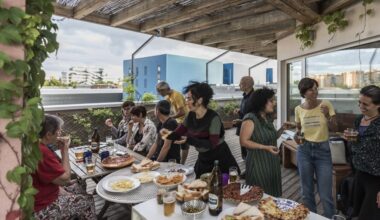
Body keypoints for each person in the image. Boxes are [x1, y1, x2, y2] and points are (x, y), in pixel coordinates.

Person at [163, 81, 239, 178]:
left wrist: (189, 140)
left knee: (220, 188)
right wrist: (163, 131)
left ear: (200, 100)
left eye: (189, 98)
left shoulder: (213, 118)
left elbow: (211, 144)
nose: (186, 102)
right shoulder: (190, 115)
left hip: (220, 159)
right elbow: (178, 132)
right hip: (203, 158)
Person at [33, 114, 95, 219]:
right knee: (88, 200)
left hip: (45, 192)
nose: (60, 133)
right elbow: (66, 179)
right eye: (58, 130)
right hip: (42, 207)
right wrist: (64, 150)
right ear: (48, 134)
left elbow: (55, 176)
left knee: (80, 183)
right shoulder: (42, 152)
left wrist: (61, 189)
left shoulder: (36, 145)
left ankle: (77, 214)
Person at [295, 78, 337, 218]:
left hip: (323, 151)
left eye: (316, 88)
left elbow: (335, 128)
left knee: (325, 194)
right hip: (304, 150)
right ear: (303, 92)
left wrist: (326, 115)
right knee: (306, 192)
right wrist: (296, 136)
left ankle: (329, 217)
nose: (315, 92)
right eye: (311, 89)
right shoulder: (298, 109)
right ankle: (311, 217)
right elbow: (299, 130)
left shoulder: (326, 104)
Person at [239, 87, 292, 197]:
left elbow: (271, 137)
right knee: (258, 196)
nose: (274, 103)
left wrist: (282, 128)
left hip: (271, 163)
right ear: (261, 102)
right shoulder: (250, 118)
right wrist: (265, 147)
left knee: (272, 195)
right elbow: (243, 141)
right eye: (271, 101)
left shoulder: (267, 118)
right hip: (258, 163)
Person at [344, 85, 380, 220]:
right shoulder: (359, 119)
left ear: (378, 105)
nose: (361, 106)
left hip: (376, 180)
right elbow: (358, 145)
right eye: (359, 102)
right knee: (355, 213)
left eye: (366, 104)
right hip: (359, 174)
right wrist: (350, 139)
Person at [156, 81, 189, 164]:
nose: (160, 94)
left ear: (165, 90)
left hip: (185, 121)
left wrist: (170, 118)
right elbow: (163, 108)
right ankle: (178, 161)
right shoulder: (169, 97)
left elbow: (182, 112)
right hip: (178, 121)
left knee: (184, 144)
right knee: (175, 141)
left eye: (160, 92)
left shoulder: (176, 95)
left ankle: (182, 163)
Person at [234, 76, 255, 160]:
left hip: (249, 129)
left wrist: (241, 121)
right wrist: (239, 111)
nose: (239, 85)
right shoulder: (245, 96)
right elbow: (247, 112)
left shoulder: (254, 97)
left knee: (249, 153)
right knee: (245, 152)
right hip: (243, 126)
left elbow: (254, 116)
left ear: (247, 85)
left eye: (241, 83)